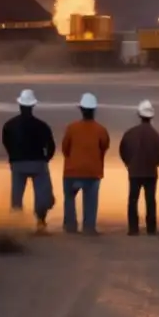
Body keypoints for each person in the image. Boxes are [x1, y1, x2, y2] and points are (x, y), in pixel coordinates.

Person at [2, 89, 56, 231]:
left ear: (20, 106)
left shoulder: (9, 125)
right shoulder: (42, 126)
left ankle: (16, 225)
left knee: (17, 197)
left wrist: (13, 157)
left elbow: (6, 142)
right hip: (38, 163)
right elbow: (51, 146)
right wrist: (46, 159)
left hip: (18, 163)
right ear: (32, 106)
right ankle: (40, 221)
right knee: (42, 195)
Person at [61, 93, 110, 234]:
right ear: (94, 111)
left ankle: (70, 226)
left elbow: (65, 148)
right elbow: (104, 147)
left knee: (69, 199)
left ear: (81, 110)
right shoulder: (101, 130)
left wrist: (72, 159)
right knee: (91, 201)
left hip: (72, 171)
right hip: (93, 171)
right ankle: (89, 227)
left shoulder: (71, 128)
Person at [119, 99, 159, 236]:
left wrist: (130, 164)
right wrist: (154, 164)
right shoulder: (156, 136)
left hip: (134, 172)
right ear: (151, 116)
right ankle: (151, 228)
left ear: (139, 115)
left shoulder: (130, 134)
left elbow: (123, 151)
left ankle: (133, 228)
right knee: (150, 200)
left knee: (133, 199)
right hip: (151, 172)